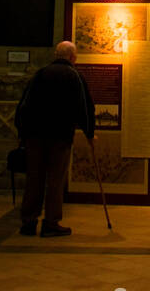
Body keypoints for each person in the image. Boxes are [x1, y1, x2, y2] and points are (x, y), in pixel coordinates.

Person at [15, 40, 95, 237]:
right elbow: (84, 107)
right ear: (72, 57)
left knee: (34, 178)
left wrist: (22, 133)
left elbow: (24, 105)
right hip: (59, 137)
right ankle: (51, 222)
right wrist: (89, 132)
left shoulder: (40, 74)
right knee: (55, 180)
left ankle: (29, 221)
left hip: (35, 136)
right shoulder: (74, 76)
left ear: (55, 55)